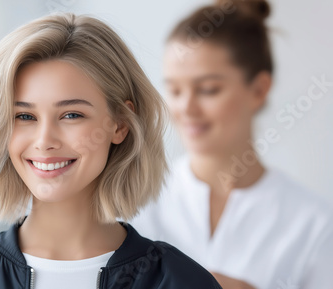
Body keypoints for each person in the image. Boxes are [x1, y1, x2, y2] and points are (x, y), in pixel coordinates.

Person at [0, 13, 222, 289]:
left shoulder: (183, 282)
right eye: (24, 116)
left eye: (72, 115)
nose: (44, 141)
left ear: (120, 124)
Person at [131, 1, 333, 289]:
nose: (186, 107)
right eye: (174, 90)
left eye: (208, 89)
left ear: (259, 90)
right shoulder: (137, 202)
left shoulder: (315, 225)